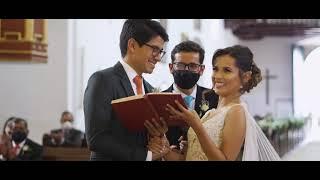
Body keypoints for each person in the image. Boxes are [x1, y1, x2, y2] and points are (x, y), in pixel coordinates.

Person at [146, 45, 281, 161]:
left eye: (227, 70)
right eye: (216, 69)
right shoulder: (213, 111)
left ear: (245, 77)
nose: (217, 76)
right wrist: (167, 149)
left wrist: (196, 125)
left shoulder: (237, 111)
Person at [83, 19, 169, 160]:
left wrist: (158, 134)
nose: (158, 57)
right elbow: (96, 138)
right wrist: (145, 157)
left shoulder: (150, 89)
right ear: (132, 45)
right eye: (154, 50)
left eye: (161, 52)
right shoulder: (103, 80)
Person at [163, 40, 219, 150]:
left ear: (201, 70)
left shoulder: (214, 98)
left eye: (193, 66)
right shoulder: (158, 99)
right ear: (171, 67)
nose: (186, 70)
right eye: (180, 65)